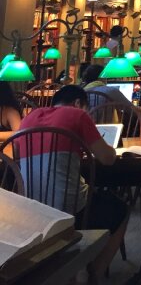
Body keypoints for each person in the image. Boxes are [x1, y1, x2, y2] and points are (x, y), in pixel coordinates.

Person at [16, 84, 128, 278]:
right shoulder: (78, 115)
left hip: (32, 208)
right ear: (78, 103)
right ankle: (96, 273)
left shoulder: (27, 120)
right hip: (69, 208)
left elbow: (17, 156)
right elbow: (106, 158)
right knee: (121, 210)